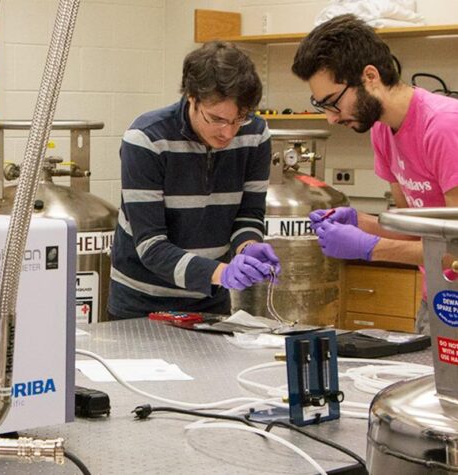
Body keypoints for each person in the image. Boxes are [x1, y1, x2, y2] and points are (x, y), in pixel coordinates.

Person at [291, 14, 458, 335]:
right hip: (439, 300)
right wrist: (360, 221)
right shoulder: (382, 131)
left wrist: (369, 247)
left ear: (370, 76)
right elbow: (415, 229)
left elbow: (455, 252)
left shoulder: (444, 128)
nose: (330, 119)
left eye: (333, 103)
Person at [108, 41, 281, 320]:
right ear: (191, 97)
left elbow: (247, 215)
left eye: (239, 119)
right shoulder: (147, 139)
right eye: (216, 119)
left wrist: (248, 247)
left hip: (209, 298)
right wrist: (223, 272)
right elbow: (151, 246)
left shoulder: (255, 134)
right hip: (142, 302)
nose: (228, 132)